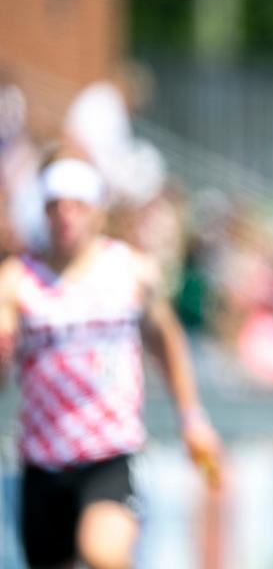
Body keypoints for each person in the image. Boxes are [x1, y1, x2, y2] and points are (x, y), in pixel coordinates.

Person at [0, 153, 222, 569]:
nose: (66, 217)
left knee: (103, 553)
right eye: (55, 207)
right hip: (43, 459)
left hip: (109, 452)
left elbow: (167, 340)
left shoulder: (130, 271)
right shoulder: (16, 281)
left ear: (97, 212)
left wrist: (192, 418)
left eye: (77, 206)